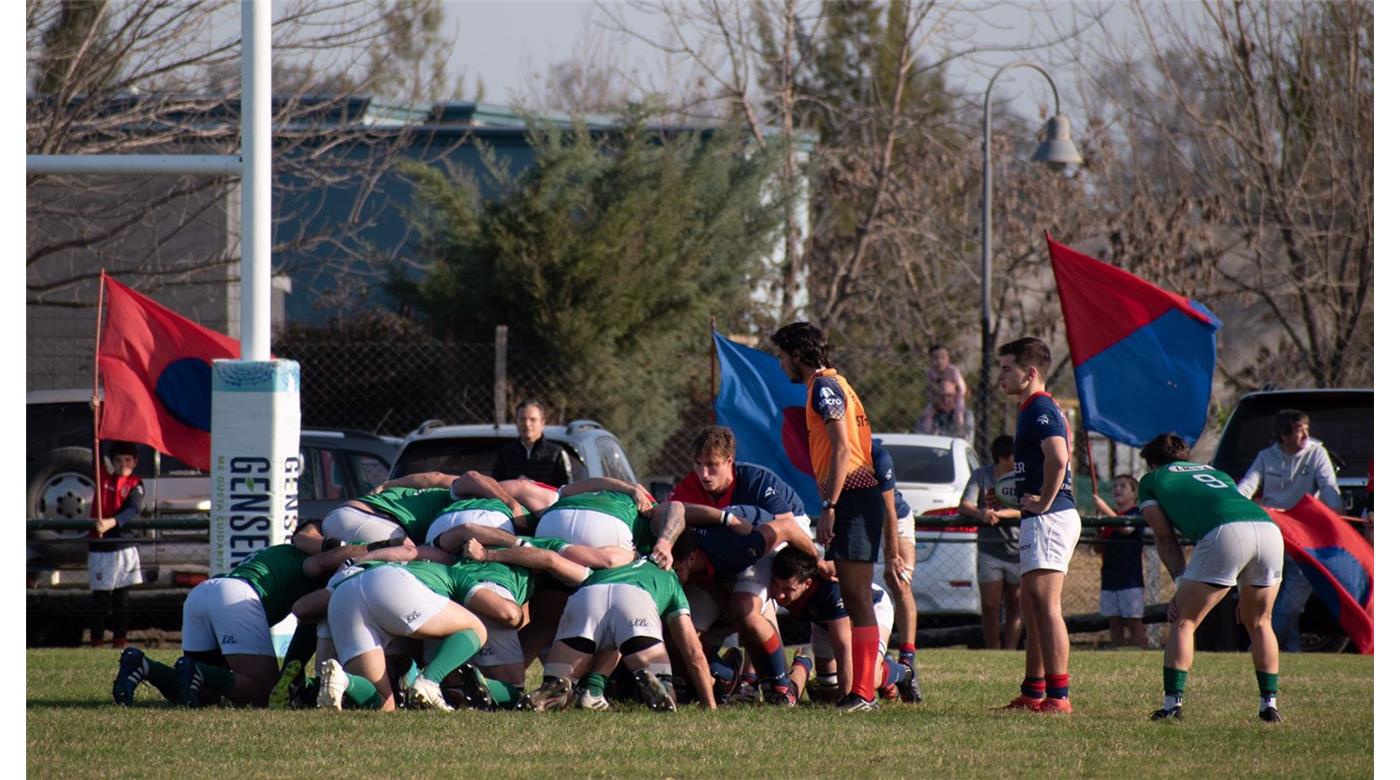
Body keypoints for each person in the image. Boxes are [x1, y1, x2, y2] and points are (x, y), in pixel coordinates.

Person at [771, 321, 890, 713]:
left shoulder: (824, 387)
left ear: (799, 354)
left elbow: (841, 448)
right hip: (856, 498)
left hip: (853, 498)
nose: (781, 362)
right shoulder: (830, 384)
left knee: (857, 597)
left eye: (783, 355)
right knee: (855, 596)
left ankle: (863, 692)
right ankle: (863, 691)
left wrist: (830, 506)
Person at [1137, 433, 1285, 723]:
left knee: (1184, 620)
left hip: (1226, 533)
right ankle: (1269, 705)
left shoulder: (1152, 480)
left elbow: (1165, 537)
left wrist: (1180, 584)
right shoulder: (1216, 473)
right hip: (1268, 530)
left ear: (1153, 463)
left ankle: (1171, 707)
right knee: (1261, 622)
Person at [996, 336, 1079, 714]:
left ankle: (1058, 698)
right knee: (1032, 609)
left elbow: (1059, 458)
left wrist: (1044, 501)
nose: (1000, 376)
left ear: (1029, 373)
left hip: (1050, 517)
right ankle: (1033, 692)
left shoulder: (1039, 407)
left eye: (1006, 368)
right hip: (1042, 516)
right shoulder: (1034, 407)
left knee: (1046, 607)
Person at [521, 555, 717, 712]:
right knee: (661, 681)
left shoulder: (622, 556)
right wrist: (710, 705)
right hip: (635, 600)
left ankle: (570, 689)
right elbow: (693, 651)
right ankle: (660, 686)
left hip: (587, 595)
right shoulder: (669, 577)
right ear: (679, 562)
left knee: (561, 679)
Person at [672, 503, 819, 705]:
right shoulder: (670, 547)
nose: (673, 577)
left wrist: (817, 561)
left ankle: (784, 682)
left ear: (690, 559)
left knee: (745, 610)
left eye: (676, 570)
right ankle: (726, 675)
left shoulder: (740, 547)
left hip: (753, 554)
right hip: (711, 572)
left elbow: (787, 527)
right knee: (679, 635)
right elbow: (673, 508)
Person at [1235, 409, 1342, 653]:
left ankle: (1257, 649)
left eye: (1307, 428)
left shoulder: (1317, 453)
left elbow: (1329, 489)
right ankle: (1291, 652)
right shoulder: (1265, 456)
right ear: (1283, 435)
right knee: (1272, 599)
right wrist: (1236, 507)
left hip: (1303, 540)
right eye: (1298, 429)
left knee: (1291, 604)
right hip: (1272, 534)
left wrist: (1333, 514)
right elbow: (1246, 487)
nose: (1305, 434)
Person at [766, 547, 916, 705]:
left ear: (807, 583)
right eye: (776, 585)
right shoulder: (776, 581)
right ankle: (805, 660)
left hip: (872, 611)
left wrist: (848, 699)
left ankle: (902, 672)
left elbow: (843, 647)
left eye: (788, 589)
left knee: (867, 680)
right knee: (828, 696)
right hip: (823, 622)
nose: (779, 594)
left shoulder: (830, 591)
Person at [957, 434, 1022, 651]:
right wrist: (981, 513)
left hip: (1018, 551)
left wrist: (1001, 515)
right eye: (1014, 455)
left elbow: (1027, 507)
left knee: (1016, 604)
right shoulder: (981, 475)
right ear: (1003, 458)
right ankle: (992, 649)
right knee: (991, 604)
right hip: (989, 552)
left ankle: (1010, 650)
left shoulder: (1022, 477)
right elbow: (964, 505)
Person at [870, 439, 921, 691]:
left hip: (894, 517)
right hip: (860, 519)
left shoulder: (877, 456)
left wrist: (891, 555)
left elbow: (889, 511)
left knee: (900, 581)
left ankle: (908, 660)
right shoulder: (825, 449)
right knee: (853, 587)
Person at [88, 441, 145, 649]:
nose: (123, 464)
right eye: (119, 460)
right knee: (101, 602)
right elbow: (95, 445)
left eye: (128, 460)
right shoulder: (102, 477)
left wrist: (112, 522)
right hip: (100, 549)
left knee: (122, 602)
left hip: (124, 549)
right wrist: (95, 412)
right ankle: (96, 644)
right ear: (111, 462)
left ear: (135, 462)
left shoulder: (136, 484)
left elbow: (132, 509)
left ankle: (119, 644)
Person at [1091, 475, 1149, 649]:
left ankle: (1143, 654)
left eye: (1123, 486)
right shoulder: (1110, 518)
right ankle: (1117, 652)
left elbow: (1125, 529)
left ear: (1134, 494)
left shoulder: (1135, 513)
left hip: (1130, 579)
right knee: (1114, 622)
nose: (1117, 489)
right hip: (1109, 578)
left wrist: (1105, 509)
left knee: (1133, 622)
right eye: (1114, 486)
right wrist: (1099, 530)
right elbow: (1098, 549)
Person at [491, 400, 572, 487]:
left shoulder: (556, 454)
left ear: (542, 422)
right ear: (516, 422)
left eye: (533, 420)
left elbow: (566, 489)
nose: (527, 424)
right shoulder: (505, 454)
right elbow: (495, 488)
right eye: (522, 419)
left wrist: (534, 488)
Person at [915, 378, 975, 444]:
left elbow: (966, 442)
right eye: (942, 396)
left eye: (949, 396)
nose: (946, 400)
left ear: (956, 396)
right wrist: (929, 417)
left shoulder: (965, 415)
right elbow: (920, 439)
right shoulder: (928, 414)